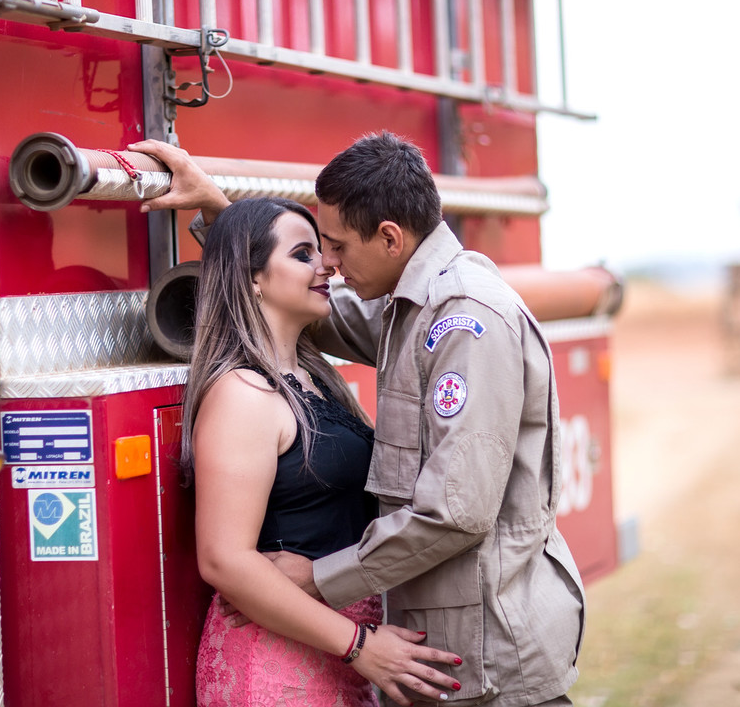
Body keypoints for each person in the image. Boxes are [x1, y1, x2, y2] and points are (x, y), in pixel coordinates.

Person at [133, 133, 585, 707]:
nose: (330, 264)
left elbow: (457, 512)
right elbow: (290, 298)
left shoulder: (462, 317)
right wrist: (224, 217)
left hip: (487, 649)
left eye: (336, 246)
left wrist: (319, 580)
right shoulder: (411, 309)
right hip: (432, 650)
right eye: (313, 251)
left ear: (390, 238)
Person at [178, 195, 462, 707]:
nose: (326, 265)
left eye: (324, 252)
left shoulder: (316, 380)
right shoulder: (243, 394)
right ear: (252, 278)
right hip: (278, 666)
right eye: (304, 253)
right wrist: (358, 645)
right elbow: (224, 560)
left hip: (338, 651)